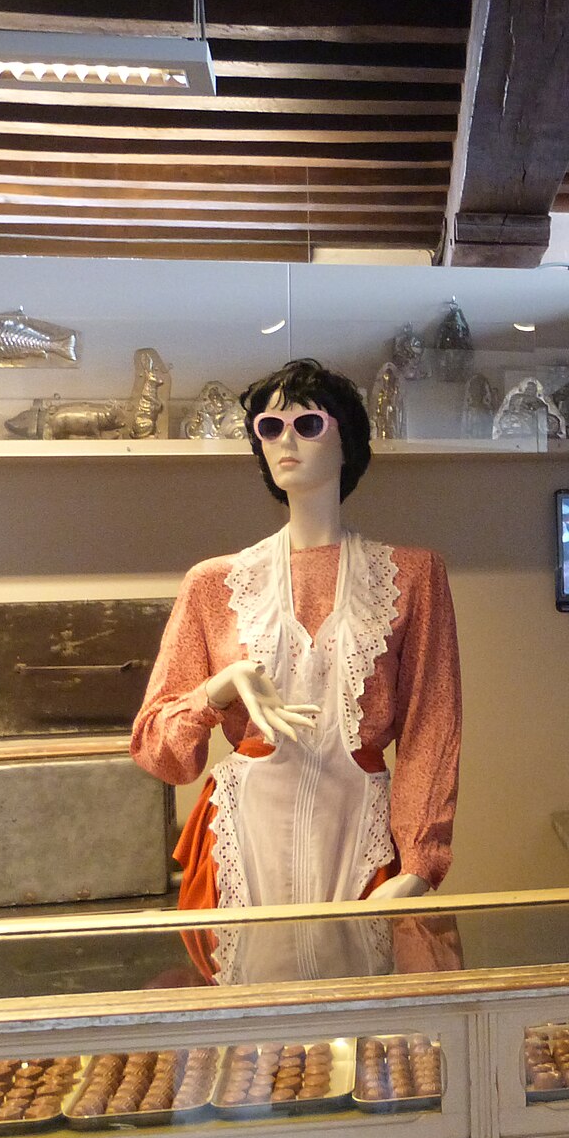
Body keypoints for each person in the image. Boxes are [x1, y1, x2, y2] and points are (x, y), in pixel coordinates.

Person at [132, 359, 461, 919]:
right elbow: (159, 750)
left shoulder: (413, 576)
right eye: (270, 426)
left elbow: (432, 728)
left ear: (345, 440)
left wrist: (418, 865)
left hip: (360, 832)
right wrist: (220, 688)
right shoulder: (213, 584)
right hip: (240, 838)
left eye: (307, 424)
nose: (286, 440)